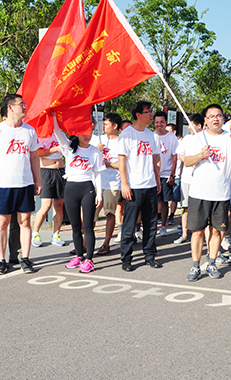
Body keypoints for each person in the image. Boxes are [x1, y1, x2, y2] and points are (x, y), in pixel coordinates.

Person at [0, 94, 41, 275]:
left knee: (25, 222)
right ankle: (1, 261)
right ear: (10, 107)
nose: (24, 107)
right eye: (21, 104)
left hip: (24, 184)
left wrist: (37, 180)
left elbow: (34, 157)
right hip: (4, 184)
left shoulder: (29, 131)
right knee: (2, 223)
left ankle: (25, 258)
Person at [182, 104, 231, 281]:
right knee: (197, 232)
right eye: (211, 116)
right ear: (205, 121)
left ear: (223, 118)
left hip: (221, 194)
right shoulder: (196, 139)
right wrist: (200, 155)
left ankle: (212, 262)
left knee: (217, 232)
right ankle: (195, 266)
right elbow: (187, 162)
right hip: (199, 194)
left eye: (219, 115)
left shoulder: (228, 138)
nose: (216, 118)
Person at [52, 115, 104, 273]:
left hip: (87, 189)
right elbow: (56, 131)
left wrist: (99, 194)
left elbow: (98, 174)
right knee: (75, 226)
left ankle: (89, 259)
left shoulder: (95, 151)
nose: (87, 136)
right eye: (83, 133)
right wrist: (54, 116)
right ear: (77, 133)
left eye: (89, 133)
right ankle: (79, 256)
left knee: (87, 226)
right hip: (70, 188)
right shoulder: (68, 147)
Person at [118, 100, 162, 272]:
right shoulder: (127, 134)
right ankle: (126, 258)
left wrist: (157, 179)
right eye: (148, 111)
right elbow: (122, 160)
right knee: (129, 225)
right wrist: (125, 184)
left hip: (150, 185)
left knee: (150, 224)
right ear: (138, 115)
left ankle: (150, 256)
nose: (151, 114)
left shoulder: (151, 135)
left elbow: (155, 159)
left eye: (151, 111)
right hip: (133, 186)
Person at [93, 112, 123, 254]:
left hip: (112, 184)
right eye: (103, 124)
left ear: (115, 126)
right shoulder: (98, 141)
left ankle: (106, 243)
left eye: (106, 124)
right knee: (89, 215)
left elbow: (125, 165)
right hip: (96, 183)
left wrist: (109, 164)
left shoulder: (121, 142)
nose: (103, 127)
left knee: (110, 214)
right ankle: (86, 243)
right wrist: (96, 151)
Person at [31, 133, 67, 248]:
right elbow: (38, 153)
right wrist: (54, 149)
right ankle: (35, 233)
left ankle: (56, 234)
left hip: (60, 171)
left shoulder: (61, 135)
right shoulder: (42, 135)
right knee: (46, 205)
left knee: (59, 205)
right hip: (46, 171)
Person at [175, 113, 204, 245]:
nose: (190, 128)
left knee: (200, 209)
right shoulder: (186, 139)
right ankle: (185, 234)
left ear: (199, 125)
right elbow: (180, 155)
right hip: (186, 179)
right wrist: (187, 160)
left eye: (192, 125)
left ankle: (199, 235)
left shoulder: (205, 139)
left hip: (200, 180)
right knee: (185, 208)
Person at [153, 111, 179, 236]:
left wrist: (172, 174)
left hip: (166, 174)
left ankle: (163, 226)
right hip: (153, 175)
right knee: (153, 202)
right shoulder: (151, 136)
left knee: (164, 202)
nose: (159, 125)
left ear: (166, 123)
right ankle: (152, 226)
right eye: (157, 122)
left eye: (162, 122)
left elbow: (175, 156)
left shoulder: (172, 137)